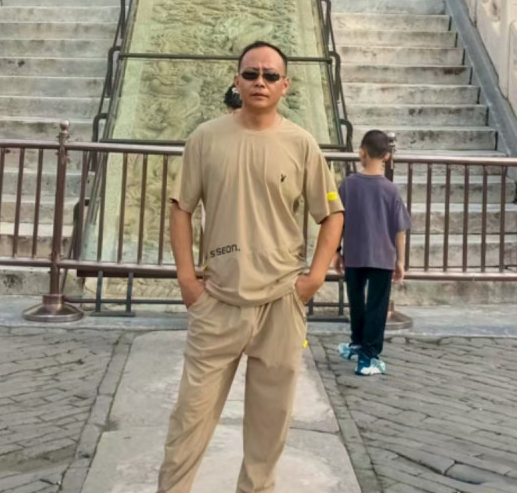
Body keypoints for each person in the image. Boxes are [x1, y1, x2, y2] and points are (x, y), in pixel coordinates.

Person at [157, 41, 344, 493]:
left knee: (269, 425)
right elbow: (181, 207)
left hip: (281, 302)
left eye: (270, 75)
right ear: (236, 80)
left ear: (286, 85)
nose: (260, 82)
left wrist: (314, 278)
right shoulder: (205, 138)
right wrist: (187, 279)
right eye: (251, 73)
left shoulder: (301, 144)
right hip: (218, 300)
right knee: (189, 419)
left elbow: (332, 213)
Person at [334, 129, 411, 376]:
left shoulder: (348, 185)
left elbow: (337, 221)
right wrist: (400, 260)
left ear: (362, 152)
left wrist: (337, 250)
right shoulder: (390, 190)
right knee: (377, 306)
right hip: (382, 256)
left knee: (356, 301)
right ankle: (369, 357)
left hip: (354, 254)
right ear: (387, 156)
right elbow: (400, 229)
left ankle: (357, 342)